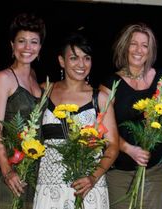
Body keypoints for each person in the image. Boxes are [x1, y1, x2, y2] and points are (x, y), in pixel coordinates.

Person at [32, 32, 119, 209]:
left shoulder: (100, 99)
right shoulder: (44, 91)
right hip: (50, 187)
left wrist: (93, 177)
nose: (81, 64)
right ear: (61, 61)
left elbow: (113, 145)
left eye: (86, 58)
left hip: (88, 187)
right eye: (74, 58)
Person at [100, 23, 162, 209]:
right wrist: (129, 149)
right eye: (134, 44)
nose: (138, 50)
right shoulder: (110, 85)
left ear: (150, 51)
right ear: (125, 46)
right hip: (120, 172)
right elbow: (103, 129)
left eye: (145, 45)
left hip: (156, 170)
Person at [0, 13, 46, 209]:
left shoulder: (36, 79)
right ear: (12, 45)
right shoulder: (3, 79)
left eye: (34, 42)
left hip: (32, 169)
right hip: (10, 169)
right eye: (21, 41)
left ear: (40, 47)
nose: (27, 48)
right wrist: (7, 171)